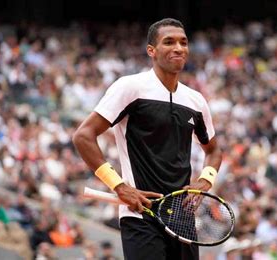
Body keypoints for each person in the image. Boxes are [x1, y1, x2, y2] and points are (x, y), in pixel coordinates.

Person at [73, 18, 222, 260]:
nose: (178, 48)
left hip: (181, 219)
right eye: (169, 42)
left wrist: (205, 180)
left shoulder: (196, 101)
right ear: (151, 51)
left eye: (183, 43)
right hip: (140, 214)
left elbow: (214, 151)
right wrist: (120, 187)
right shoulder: (130, 87)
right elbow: (83, 136)